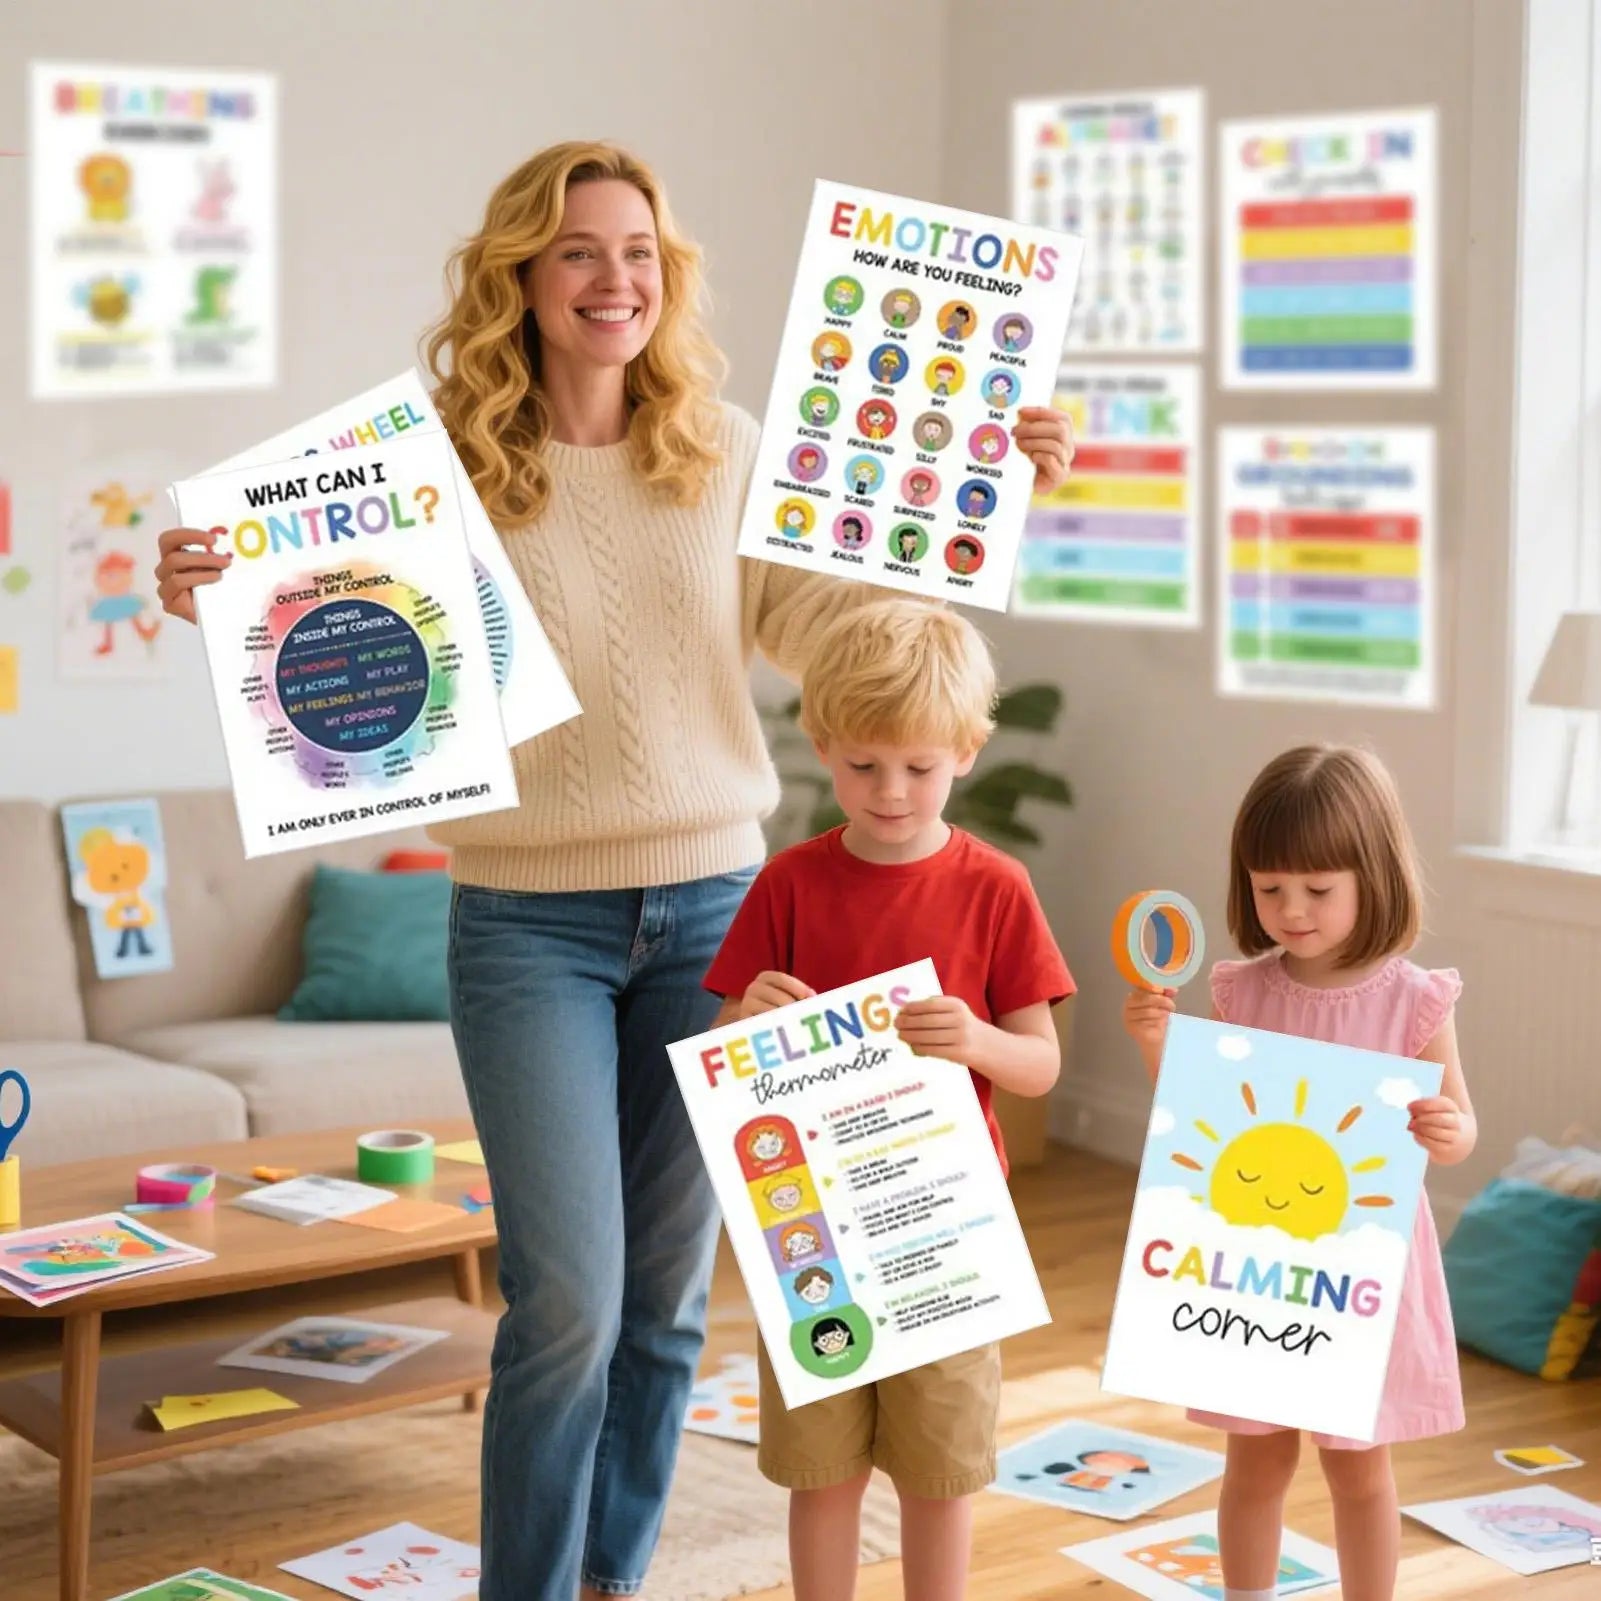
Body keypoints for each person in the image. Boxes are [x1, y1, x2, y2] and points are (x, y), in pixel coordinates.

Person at [150, 142, 1076, 1601]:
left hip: (714, 909)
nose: (615, 278)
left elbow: (846, 637)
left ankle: (609, 1580)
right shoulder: (437, 474)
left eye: (639, 251)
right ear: (521, 273)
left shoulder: (726, 448)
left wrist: (976, 489)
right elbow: (347, 668)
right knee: (568, 1302)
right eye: (581, 250)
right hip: (526, 928)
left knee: (662, 1308)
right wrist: (224, 595)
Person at [703, 600, 1074, 1601]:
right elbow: (727, 1053)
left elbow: (1036, 1066)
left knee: (938, 1466)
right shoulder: (785, 883)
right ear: (821, 745)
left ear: (966, 749)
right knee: (820, 1464)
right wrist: (745, 1016)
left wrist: (979, 1037)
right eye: (862, 764)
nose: (890, 791)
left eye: (917, 765)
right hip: (810, 1224)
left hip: (945, 1230)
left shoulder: (996, 887)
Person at [1122, 744, 1474, 1601]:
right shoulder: (1243, 989)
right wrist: (1154, 1045)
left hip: (1364, 1271)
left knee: (1358, 1471)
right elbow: (1207, 1120)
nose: (1289, 908)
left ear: (1374, 874)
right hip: (1258, 1265)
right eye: (1267, 886)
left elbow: (1461, 1127)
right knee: (1254, 1459)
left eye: (1316, 889)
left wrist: (1445, 1127)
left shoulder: (1414, 998)